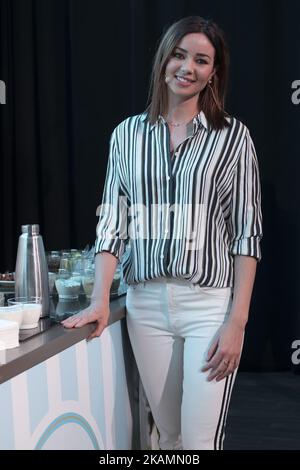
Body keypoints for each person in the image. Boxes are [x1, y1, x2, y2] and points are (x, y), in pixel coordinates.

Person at [62, 16, 263, 450]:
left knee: (198, 440)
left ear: (214, 73)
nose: (187, 67)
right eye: (179, 54)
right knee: (167, 435)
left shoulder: (232, 137)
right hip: (146, 306)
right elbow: (112, 224)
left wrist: (237, 321)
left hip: (208, 307)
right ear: (163, 60)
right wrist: (99, 299)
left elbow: (247, 233)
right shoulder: (127, 135)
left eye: (201, 60)